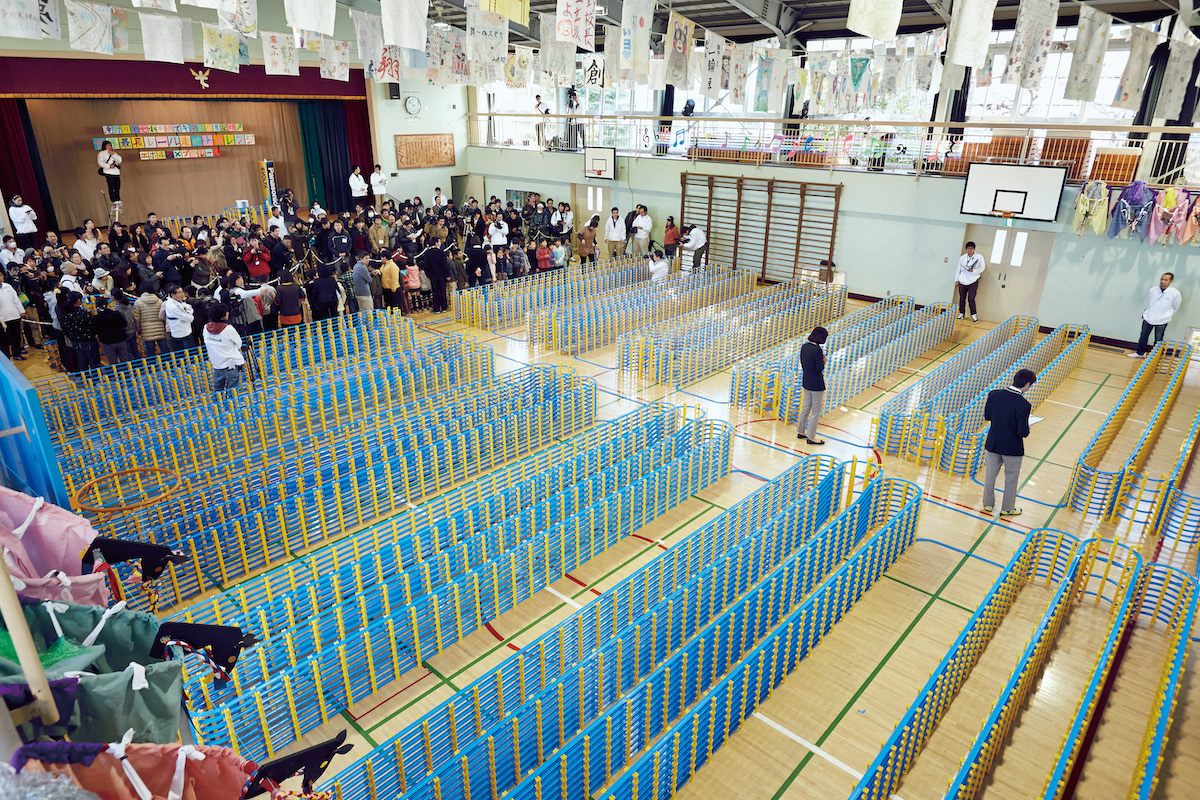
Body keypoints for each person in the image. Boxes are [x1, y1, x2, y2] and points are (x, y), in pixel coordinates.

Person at [981, 368, 1037, 517]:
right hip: (1012, 448)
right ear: (1027, 384)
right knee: (1011, 478)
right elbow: (1022, 432)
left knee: (990, 475)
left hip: (993, 443)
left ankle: (988, 503)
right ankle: (1007, 508)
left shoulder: (994, 394)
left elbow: (988, 416)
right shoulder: (1024, 405)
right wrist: (1027, 428)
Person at [1129, 272, 1182, 358]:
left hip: (1162, 319)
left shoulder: (1175, 293)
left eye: (1166, 280)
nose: (1163, 281)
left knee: (1158, 339)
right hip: (1148, 317)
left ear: (1171, 281)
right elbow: (1150, 301)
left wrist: (1167, 315)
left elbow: (1176, 307)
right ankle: (1140, 353)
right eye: (1162, 279)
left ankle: (1156, 356)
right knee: (1143, 336)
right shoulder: (1153, 290)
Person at [795, 326, 828, 445]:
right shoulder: (817, 350)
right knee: (815, 411)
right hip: (816, 384)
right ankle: (811, 437)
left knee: (805, 407)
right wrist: (824, 361)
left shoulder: (804, 346)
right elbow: (819, 368)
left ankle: (801, 431)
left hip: (806, 381)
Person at [203, 304, 244, 393]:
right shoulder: (228, 329)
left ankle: (217, 402)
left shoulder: (206, 328)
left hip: (217, 364)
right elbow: (239, 344)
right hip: (231, 364)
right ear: (222, 316)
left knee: (218, 391)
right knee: (233, 391)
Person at [59, 291, 99, 373]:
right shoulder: (84, 314)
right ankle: (95, 379)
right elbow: (93, 326)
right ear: (78, 300)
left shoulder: (64, 315)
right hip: (88, 341)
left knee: (81, 361)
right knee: (93, 362)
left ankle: (85, 378)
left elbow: (64, 329)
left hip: (74, 341)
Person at [93, 296, 129, 365]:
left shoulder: (96, 318)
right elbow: (124, 324)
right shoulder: (116, 313)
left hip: (107, 343)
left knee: (113, 363)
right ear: (108, 304)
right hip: (121, 340)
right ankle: (127, 371)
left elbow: (95, 330)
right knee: (125, 361)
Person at [955, 241, 985, 322]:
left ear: (974, 249)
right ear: (966, 249)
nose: (970, 250)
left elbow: (982, 268)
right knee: (962, 298)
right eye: (968, 248)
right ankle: (961, 313)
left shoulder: (979, 257)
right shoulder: (962, 258)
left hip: (973, 281)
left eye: (971, 248)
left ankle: (974, 315)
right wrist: (957, 279)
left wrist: (974, 271)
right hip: (962, 281)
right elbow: (958, 269)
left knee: (971, 299)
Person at [163, 284, 196, 351]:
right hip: (181, 334)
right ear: (172, 295)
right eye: (179, 292)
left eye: (182, 292)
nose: (182, 294)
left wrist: (188, 312)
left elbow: (189, 307)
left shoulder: (178, 301)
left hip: (186, 331)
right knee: (187, 353)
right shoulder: (172, 306)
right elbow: (189, 318)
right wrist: (189, 313)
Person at [0, 276, 24, 361]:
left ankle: (17, 354)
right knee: (5, 339)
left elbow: (16, 299)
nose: (2, 277)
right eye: (0, 276)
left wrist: (21, 311)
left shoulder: (8, 286)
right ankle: (6, 357)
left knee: (16, 337)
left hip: (14, 315)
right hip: (3, 319)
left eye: (1, 275)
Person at [423, 241, 451, 313]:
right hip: (442, 275)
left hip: (433, 276)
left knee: (435, 292)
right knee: (442, 291)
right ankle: (444, 307)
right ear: (436, 243)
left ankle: (437, 309)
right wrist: (448, 274)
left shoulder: (427, 253)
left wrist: (428, 275)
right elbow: (444, 265)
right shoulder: (441, 252)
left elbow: (426, 266)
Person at [97, 141, 123, 207]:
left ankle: (118, 198)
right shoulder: (101, 153)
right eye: (108, 145)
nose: (110, 146)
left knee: (117, 186)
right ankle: (113, 199)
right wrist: (109, 166)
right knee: (111, 186)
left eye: (110, 145)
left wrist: (113, 154)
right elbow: (100, 163)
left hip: (116, 172)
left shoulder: (114, 153)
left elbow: (120, 160)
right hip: (108, 172)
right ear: (105, 146)